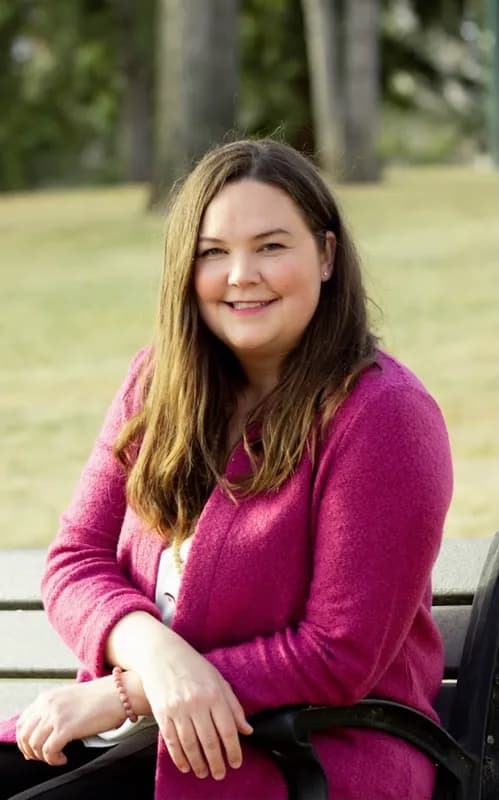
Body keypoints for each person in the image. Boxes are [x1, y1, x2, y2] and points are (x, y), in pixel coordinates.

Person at [0, 138, 453, 800]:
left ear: (325, 255)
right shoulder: (157, 382)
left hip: (306, 751)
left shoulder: (383, 416)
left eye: (271, 246)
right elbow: (74, 560)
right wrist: (154, 661)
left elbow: (337, 654)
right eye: (214, 252)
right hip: (146, 735)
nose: (241, 274)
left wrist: (128, 692)